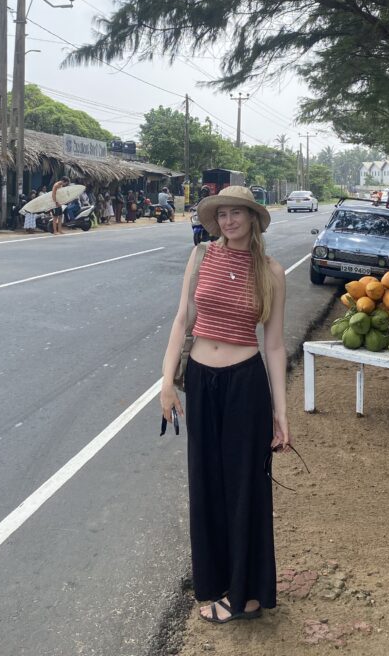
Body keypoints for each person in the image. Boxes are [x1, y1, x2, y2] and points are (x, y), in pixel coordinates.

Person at [160, 184, 289, 624]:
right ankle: (216, 585)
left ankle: (249, 594)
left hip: (245, 384)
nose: (230, 221)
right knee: (207, 485)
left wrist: (280, 412)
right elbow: (183, 319)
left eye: (238, 213)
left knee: (246, 488)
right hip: (200, 380)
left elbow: (273, 347)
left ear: (253, 219)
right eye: (224, 214)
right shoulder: (200, 258)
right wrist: (166, 384)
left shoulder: (271, 271)